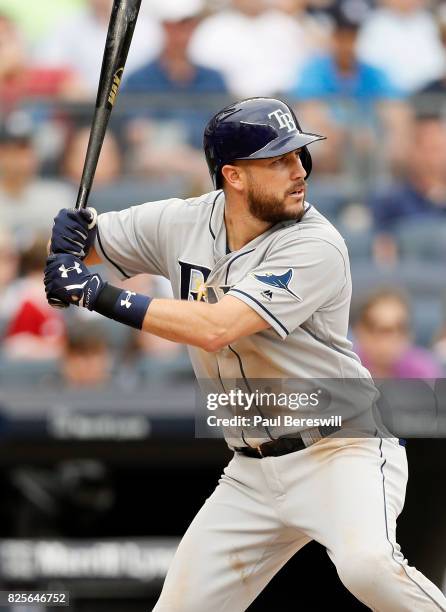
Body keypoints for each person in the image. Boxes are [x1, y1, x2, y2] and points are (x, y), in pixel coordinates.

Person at [44, 97, 446, 611]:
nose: (299, 170)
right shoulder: (181, 220)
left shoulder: (316, 243)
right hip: (251, 470)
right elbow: (86, 247)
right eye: (278, 160)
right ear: (233, 176)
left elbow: (218, 327)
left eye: (299, 155)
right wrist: (68, 242)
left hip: (340, 449)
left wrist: (95, 294)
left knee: (368, 566)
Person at [353, 288, 443, 378]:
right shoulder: (347, 368)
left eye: (399, 328)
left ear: (409, 335)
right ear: (360, 331)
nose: (386, 342)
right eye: (375, 328)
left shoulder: (426, 371)